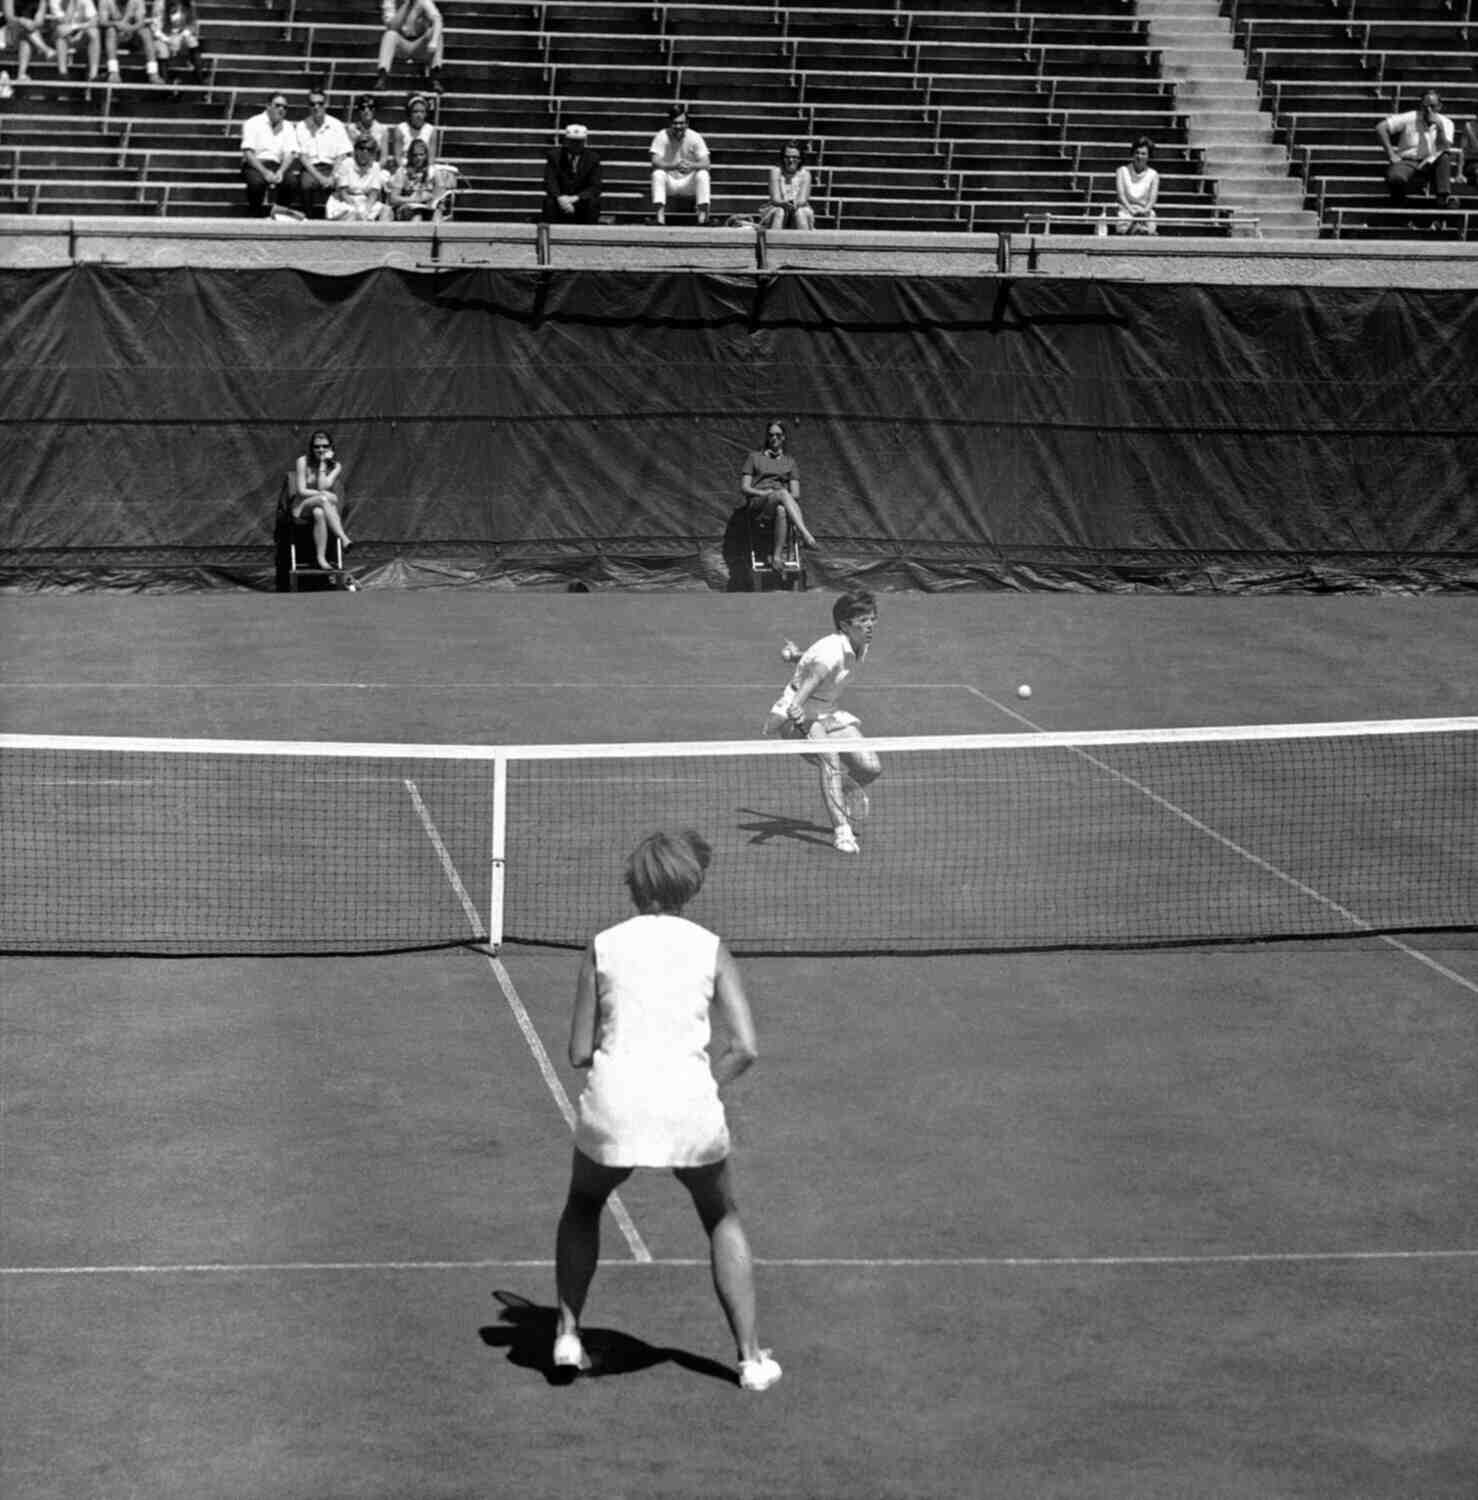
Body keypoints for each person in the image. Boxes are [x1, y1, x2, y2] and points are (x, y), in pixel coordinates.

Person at [554, 829, 781, 1394]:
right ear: (690, 886)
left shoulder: (602, 946)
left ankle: (565, 1335)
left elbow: (580, 1052)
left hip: (613, 1108)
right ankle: (751, 1361)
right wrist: (699, 1086)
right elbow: (745, 1047)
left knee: (584, 1203)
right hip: (690, 1111)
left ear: (636, 883)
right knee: (722, 1216)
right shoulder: (711, 948)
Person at [764, 591, 881, 856]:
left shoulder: (860, 643)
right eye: (863, 620)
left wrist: (796, 657)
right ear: (845, 625)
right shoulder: (831, 653)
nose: (870, 625)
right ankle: (842, 832)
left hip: (828, 712)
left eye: (873, 619)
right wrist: (795, 708)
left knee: (871, 767)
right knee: (830, 758)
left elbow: (816, 658)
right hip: (800, 709)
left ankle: (845, 788)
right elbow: (812, 679)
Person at [740, 418, 816, 569]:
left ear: (784, 437)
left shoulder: (790, 462)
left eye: (778, 435)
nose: (774, 438)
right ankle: (806, 535)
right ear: (767, 437)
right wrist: (763, 493)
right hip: (758, 504)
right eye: (771, 435)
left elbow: (796, 493)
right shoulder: (754, 457)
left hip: (778, 503)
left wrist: (780, 495)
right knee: (782, 493)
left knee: (781, 510)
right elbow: (744, 488)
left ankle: (776, 557)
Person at [1376, 90, 1459, 211]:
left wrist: (1439, 127)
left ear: (1440, 107)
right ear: (1421, 106)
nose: (1429, 110)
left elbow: (1444, 146)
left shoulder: (1446, 122)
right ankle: (1399, 201)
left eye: (1433, 106)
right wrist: (1391, 153)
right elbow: (1380, 127)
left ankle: (1443, 199)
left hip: (1432, 162)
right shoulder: (1411, 117)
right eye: (1425, 106)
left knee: (1445, 157)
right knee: (1395, 176)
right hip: (1408, 160)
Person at [287, 85, 352, 219]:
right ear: (308, 106)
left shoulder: (336, 125)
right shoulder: (301, 126)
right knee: (305, 184)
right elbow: (303, 158)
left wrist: (333, 176)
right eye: (312, 104)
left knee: (343, 181)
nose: (316, 107)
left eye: (320, 103)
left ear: (326, 104)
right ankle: (308, 218)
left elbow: (342, 154)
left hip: (334, 167)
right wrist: (321, 178)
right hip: (312, 169)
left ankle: (339, 218)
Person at [291, 429, 351, 571]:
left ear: (331, 447)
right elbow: (301, 490)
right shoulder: (302, 461)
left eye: (325, 446)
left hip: (321, 508)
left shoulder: (336, 466)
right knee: (325, 499)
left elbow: (323, 485)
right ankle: (343, 538)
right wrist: (325, 496)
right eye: (317, 446)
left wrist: (323, 464)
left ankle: (321, 559)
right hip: (302, 507)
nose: (321, 449)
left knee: (319, 512)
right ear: (311, 448)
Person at [649, 103, 710, 226]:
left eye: (681, 123)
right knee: (658, 174)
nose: (678, 126)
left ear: (687, 123)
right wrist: (674, 166)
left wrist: (692, 165)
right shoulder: (662, 136)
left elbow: (706, 162)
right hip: (670, 181)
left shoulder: (695, 137)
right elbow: (655, 161)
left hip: (689, 182)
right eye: (675, 123)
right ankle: (659, 218)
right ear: (670, 123)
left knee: (703, 174)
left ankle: (703, 218)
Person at [239, 90, 296, 217]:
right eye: (277, 105)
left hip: (277, 165)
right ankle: (255, 214)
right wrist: (265, 172)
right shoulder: (253, 122)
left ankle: (280, 215)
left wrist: (281, 171)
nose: (281, 109)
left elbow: (290, 153)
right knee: (256, 182)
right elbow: (248, 152)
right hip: (255, 164)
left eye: (285, 107)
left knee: (291, 181)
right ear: (268, 106)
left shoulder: (289, 126)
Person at [374, 0, 442, 96]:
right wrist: (406, 5)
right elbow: (392, 26)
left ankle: (434, 78)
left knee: (436, 33)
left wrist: (434, 41)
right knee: (390, 35)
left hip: (420, 44)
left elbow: (437, 20)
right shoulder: (390, 2)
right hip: (402, 44)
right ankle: (382, 77)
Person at [542, 120, 602, 224]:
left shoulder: (593, 158)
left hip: (580, 200)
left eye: (579, 141)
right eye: (572, 141)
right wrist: (560, 198)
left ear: (585, 142)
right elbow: (550, 181)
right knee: (549, 202)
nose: (576, 145)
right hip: (561, 198)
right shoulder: (554, 156)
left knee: (593, 202)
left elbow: (595, 186)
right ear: (566, 141)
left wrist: (575, 198)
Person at [326, 132, 392, 220]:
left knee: (387, 211)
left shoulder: (375, 167)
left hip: (365, 202)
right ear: (356, 150)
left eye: (369, 149)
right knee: (353, 216)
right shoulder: (346, 164)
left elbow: (373, 194)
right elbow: (343, 193)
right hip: (345, 202)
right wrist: (358, 211)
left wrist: (365, 210)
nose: (365, 151)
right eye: (361, 148)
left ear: (373, 153)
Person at [387, 136, 453, 220]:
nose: (418, 158)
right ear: (410, 156)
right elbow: (393, 198)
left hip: (428, 208)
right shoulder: (402, 172)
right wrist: (414, 199)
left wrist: (432, 197)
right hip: (407, 209)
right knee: (417, 216)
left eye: (421, 154)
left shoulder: (433, 171)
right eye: (415, 155)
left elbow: (441, 193)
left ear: (426, 155)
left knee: (437, 215)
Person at [99, 0, 158, 83]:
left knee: (146, 32)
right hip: (113, 36)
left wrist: (129, 29)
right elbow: (102, 21)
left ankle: (153, 73)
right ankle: (113, 72)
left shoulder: (137, 1)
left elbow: (140, 22)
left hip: (132, 34)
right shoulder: (106, 1)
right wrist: (116, 24)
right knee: (110, 31)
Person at [760, 140, 813, 230]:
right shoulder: (775, 172)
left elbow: (802, 200)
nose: (791, 160)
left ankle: (804, 243)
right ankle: (773, 242)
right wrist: (784, 204)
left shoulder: (806, 174)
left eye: (795, 157)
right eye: (787, 157)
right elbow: (775, 199)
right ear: (783, 158)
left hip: (799, 208)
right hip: (777, 207)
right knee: (780, 212)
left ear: (800, 159)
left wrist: (793, 205)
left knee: (800, 213)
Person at [1114, 136, 1159, 235]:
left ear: (1148, 156)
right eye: (1137, 153)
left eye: (1143, 154)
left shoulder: (1153, 174)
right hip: (1126, 210)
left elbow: (1152, 199)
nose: (1139, 156)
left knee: (1149, 226)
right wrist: (1131, 211)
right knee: (1125, 222)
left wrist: (1143, 212)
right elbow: (1121, 195)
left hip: (1144, 210)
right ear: (1133, 154)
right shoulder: (1122, 171)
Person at [149, 0, 199, 83]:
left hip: (181, 36)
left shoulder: (189, 3)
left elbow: (193, 24)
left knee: (192, 41)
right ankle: (166, 87)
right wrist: (168, 40)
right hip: (163, 36)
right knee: (162, 51)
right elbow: (155, 29)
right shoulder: (159, 3)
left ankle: (200, 83)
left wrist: (181, 36)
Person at [390, 90, 436, 167]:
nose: (419, 115)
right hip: (405, 167)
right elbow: (398, 157)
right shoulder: (400, 129)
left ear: (426, 114)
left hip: (424, 168)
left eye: (422, 112)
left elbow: (431, 159)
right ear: (409, 113)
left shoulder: (431, 130)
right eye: (415, 111)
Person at [347, 90, 389, 163]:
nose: (366, 110)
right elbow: (351, 154)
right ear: (359, 111)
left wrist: (376, 169)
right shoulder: (352, 129)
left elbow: (384, 158)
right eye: (362, 107)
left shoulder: (382, 130)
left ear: (375, 110)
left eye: (370, 107)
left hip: (375, 166)